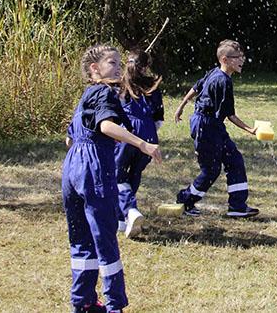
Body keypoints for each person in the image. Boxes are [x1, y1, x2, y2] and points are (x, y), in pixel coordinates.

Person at [62, 44, 162, 313]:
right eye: (112, 63)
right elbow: (106, 126)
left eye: (119, 62)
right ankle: (114, 304)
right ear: (95, 69)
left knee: (81, 238)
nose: (119, 67)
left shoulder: (85, 96)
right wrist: (143, 144)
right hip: (93, 165)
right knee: (105, 236)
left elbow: (69, 138)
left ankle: (82, 302)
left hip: (72, 167)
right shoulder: (105, 92)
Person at [174, 39, 259, 218]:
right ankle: (185, 199)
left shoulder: (216, 72)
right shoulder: (223, 81)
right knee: (211, 170)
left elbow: (196, 88)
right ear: (224, 59)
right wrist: (250, 130)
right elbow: (230, 114)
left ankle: (237, 206)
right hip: (205, 126)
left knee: (234, 160)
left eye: (242, 57)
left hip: (213, 125)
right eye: (237, 57)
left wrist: (181, 106)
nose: (241, 60)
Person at [115, 49, 165, 239]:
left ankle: (130, 210)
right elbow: (158, 118)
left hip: (127, 132)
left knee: (117, 174)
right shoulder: (153, 86)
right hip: (149, 135)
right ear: (146, 67)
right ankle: (122, 219)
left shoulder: (119, 85)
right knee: (134, 174)